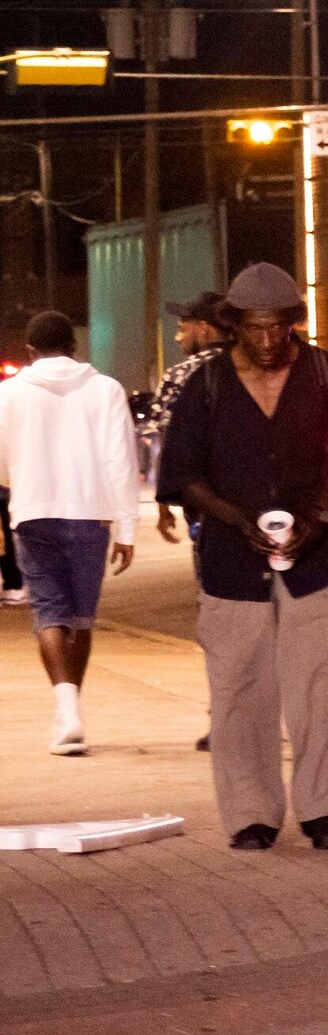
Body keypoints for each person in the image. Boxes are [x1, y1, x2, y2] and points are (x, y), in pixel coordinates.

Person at [157, 264, 328, 852]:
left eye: (280, 327)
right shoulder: (208, 385)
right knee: (237, 688)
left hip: (315, 557)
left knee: (319, 684)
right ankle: (251, 813)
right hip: (231, 558)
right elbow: (184, 474)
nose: (270, 341)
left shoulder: (326, 374)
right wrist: (234, 519)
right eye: (256, 329)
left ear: (295, 322)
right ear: (235, 326)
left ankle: (324, 809)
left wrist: (316, 517)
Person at [0, 312, 143, 754]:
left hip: (33, 512)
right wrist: (128, 526)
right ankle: (71, 710)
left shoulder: (9, 394)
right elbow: (122, 459)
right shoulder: (106, 390)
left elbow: (2, 459)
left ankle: (67, 711)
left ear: (29, 349)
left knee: (48, 614)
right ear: (75, 347)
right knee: (81, 619)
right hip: (90, 515)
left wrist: (19, 485)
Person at [146, 293, 232, 545]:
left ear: (203, 329)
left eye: (183, 329)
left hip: (203, 502)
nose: (178, 337)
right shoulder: (251, 369)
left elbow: (167, 444)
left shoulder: (179, 375)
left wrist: (163, 506)